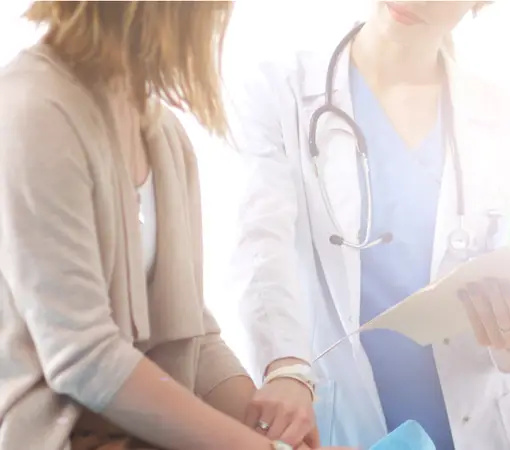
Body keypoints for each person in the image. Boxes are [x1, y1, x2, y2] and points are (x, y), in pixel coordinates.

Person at [0, 2, 349, 450]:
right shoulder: (34, 112)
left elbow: (191, 336)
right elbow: (84, 358)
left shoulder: (160, 133)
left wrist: (272, 431)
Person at [227, 1, 510, 449]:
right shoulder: (279, 92)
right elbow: (261, 245)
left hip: (476, 425)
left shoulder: (504, 117)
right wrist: (285, 366)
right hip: (340, 418)